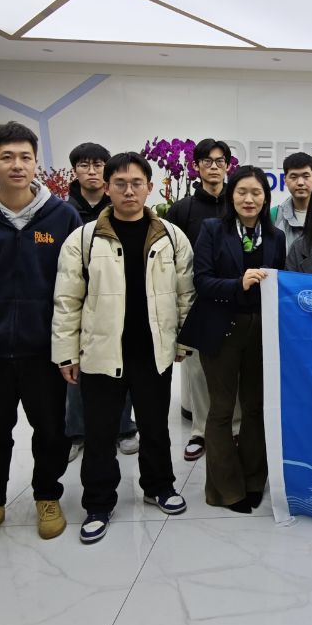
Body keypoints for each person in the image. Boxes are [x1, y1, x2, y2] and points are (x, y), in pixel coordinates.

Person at [0, 122, 80, 555]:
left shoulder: (62, 216)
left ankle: (47, 495)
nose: (17, 165)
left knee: (51, 430)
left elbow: (71, 280)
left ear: (36, 162)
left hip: (44, 347)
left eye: (25, 157)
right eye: (7, 157)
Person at [52, 152, 195, 544]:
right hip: (100, 354)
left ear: (149, 188)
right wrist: (66, 353)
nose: (129, 191)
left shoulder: (171, 236)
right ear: (107, 187)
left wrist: (184, 340)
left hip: (153, 352)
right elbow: (67, 301)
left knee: (155, 427)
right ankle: (98, 503)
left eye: (136, 183)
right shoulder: (83, 239)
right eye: (120, 183)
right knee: (100, 433)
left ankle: (159, 486)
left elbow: (186, 295)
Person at [185, 166, 287, 513]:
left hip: (261, 331)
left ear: (265, 198)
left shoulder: (276, 237)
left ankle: (254, 480)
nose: (249, 199)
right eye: (242, 192)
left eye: (256, 192)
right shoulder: (213, 229)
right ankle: (226, 489)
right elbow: (202, 281)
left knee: (256, 408)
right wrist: (237, 284)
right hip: (221, 328)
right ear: (231, 196)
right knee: (222, 410)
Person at [63, 142, 137, 461]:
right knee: (77, 368)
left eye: (98, 165)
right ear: (75, 170)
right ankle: (76, 431)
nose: (91, 171)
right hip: (81, 300)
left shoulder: (122, 207)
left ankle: (124, 428)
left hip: (119, 299)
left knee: (123, 365)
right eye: (84, 165)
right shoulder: (63, 212)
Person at [166, 138, 233, 461]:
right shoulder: (182, 209)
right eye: (207, 161)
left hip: (234, 297)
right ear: (196, 166)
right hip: (198, 300)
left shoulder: (239, 203)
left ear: (228, 166)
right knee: (198, 371)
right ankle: (200, 431)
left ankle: (234, 429)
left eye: (220, 161)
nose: (214, 167)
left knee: (234, 368)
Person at [272, 151, 312, 243]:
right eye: (294, 177)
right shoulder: (274, 215)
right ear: (285, 180)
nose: (300, 182)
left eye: (306, 176)